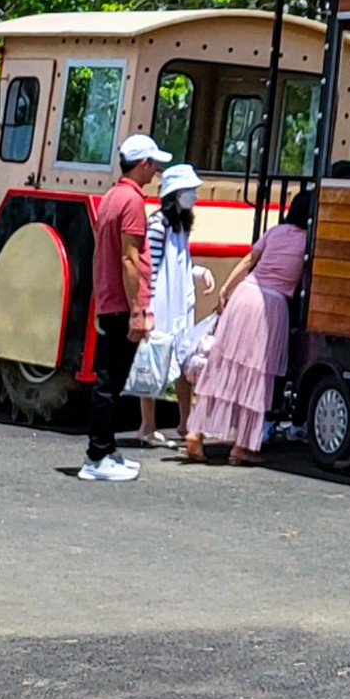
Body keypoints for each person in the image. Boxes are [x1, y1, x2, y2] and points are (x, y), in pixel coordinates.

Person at [185, 188, 310, 467]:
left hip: (245, 293)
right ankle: (243, 445)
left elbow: (248, 261)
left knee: (222, 364)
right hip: (271, 304)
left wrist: (226, 290)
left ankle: (196, 431)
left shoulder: (276, 232)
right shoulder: (308, 243)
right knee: (257, 373)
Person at [80, 134, 164, 483]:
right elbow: (131, 259)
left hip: (109, 299)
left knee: (109, 380)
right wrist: (137, 309)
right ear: (142, 164)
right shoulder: (132, 201)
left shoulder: (112, 196)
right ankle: (97, 455)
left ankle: (106, 448)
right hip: (121, 303)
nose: (156, 169)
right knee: (109, 381)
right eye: (154, 163)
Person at [130, 162, 216, 446]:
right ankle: (148, 424)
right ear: (176, 193)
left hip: (180, 305)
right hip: (162, 306)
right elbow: (151, 269)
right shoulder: (158, 226)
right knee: (154, 363)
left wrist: (200, 272)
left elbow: (180, 264)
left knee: (182, 363)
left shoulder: (179, 227)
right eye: (190, 190)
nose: (195, 195)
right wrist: (148, 307)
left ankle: (185, 422)